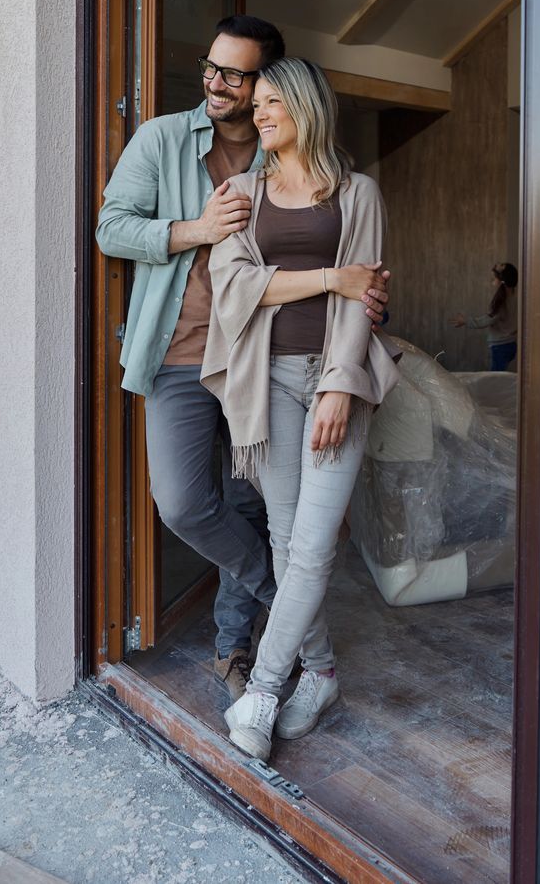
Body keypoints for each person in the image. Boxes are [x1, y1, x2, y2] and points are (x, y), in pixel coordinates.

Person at [95, 17, 390, 703]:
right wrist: (198, 229)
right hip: (183, 352)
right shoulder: (164, 139)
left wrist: (363, 293)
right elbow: (111, 227)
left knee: (252, 503)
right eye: (212, 67)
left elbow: (344, 258)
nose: (217, 83)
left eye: (235, 74)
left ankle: (235, 647)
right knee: (184, 503)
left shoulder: (286, 152)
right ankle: (289, 601)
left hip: (263, 358)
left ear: (268, 83)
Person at [201, 58, 400, 760]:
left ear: (307, 106)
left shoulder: (358, 192)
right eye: (254, 103)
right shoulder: (242, 193)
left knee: (313, 546)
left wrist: (341, 383)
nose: (257, 113)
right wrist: (328, 276)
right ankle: (321, 673)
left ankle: (262, 689)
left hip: (333, 378)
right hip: (269, 381)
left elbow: (364, 294)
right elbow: (232, 284)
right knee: (287, 545)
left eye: (271, 102)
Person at [449, 262, 518, 371]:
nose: (492, 282)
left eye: (494, 279)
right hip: (511, 344)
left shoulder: (501, 303)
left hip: (501, 346)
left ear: (502, 282)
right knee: (501, 376)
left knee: (496, 377)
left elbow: (486, 320)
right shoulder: (516, 297)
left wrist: (465, 321)